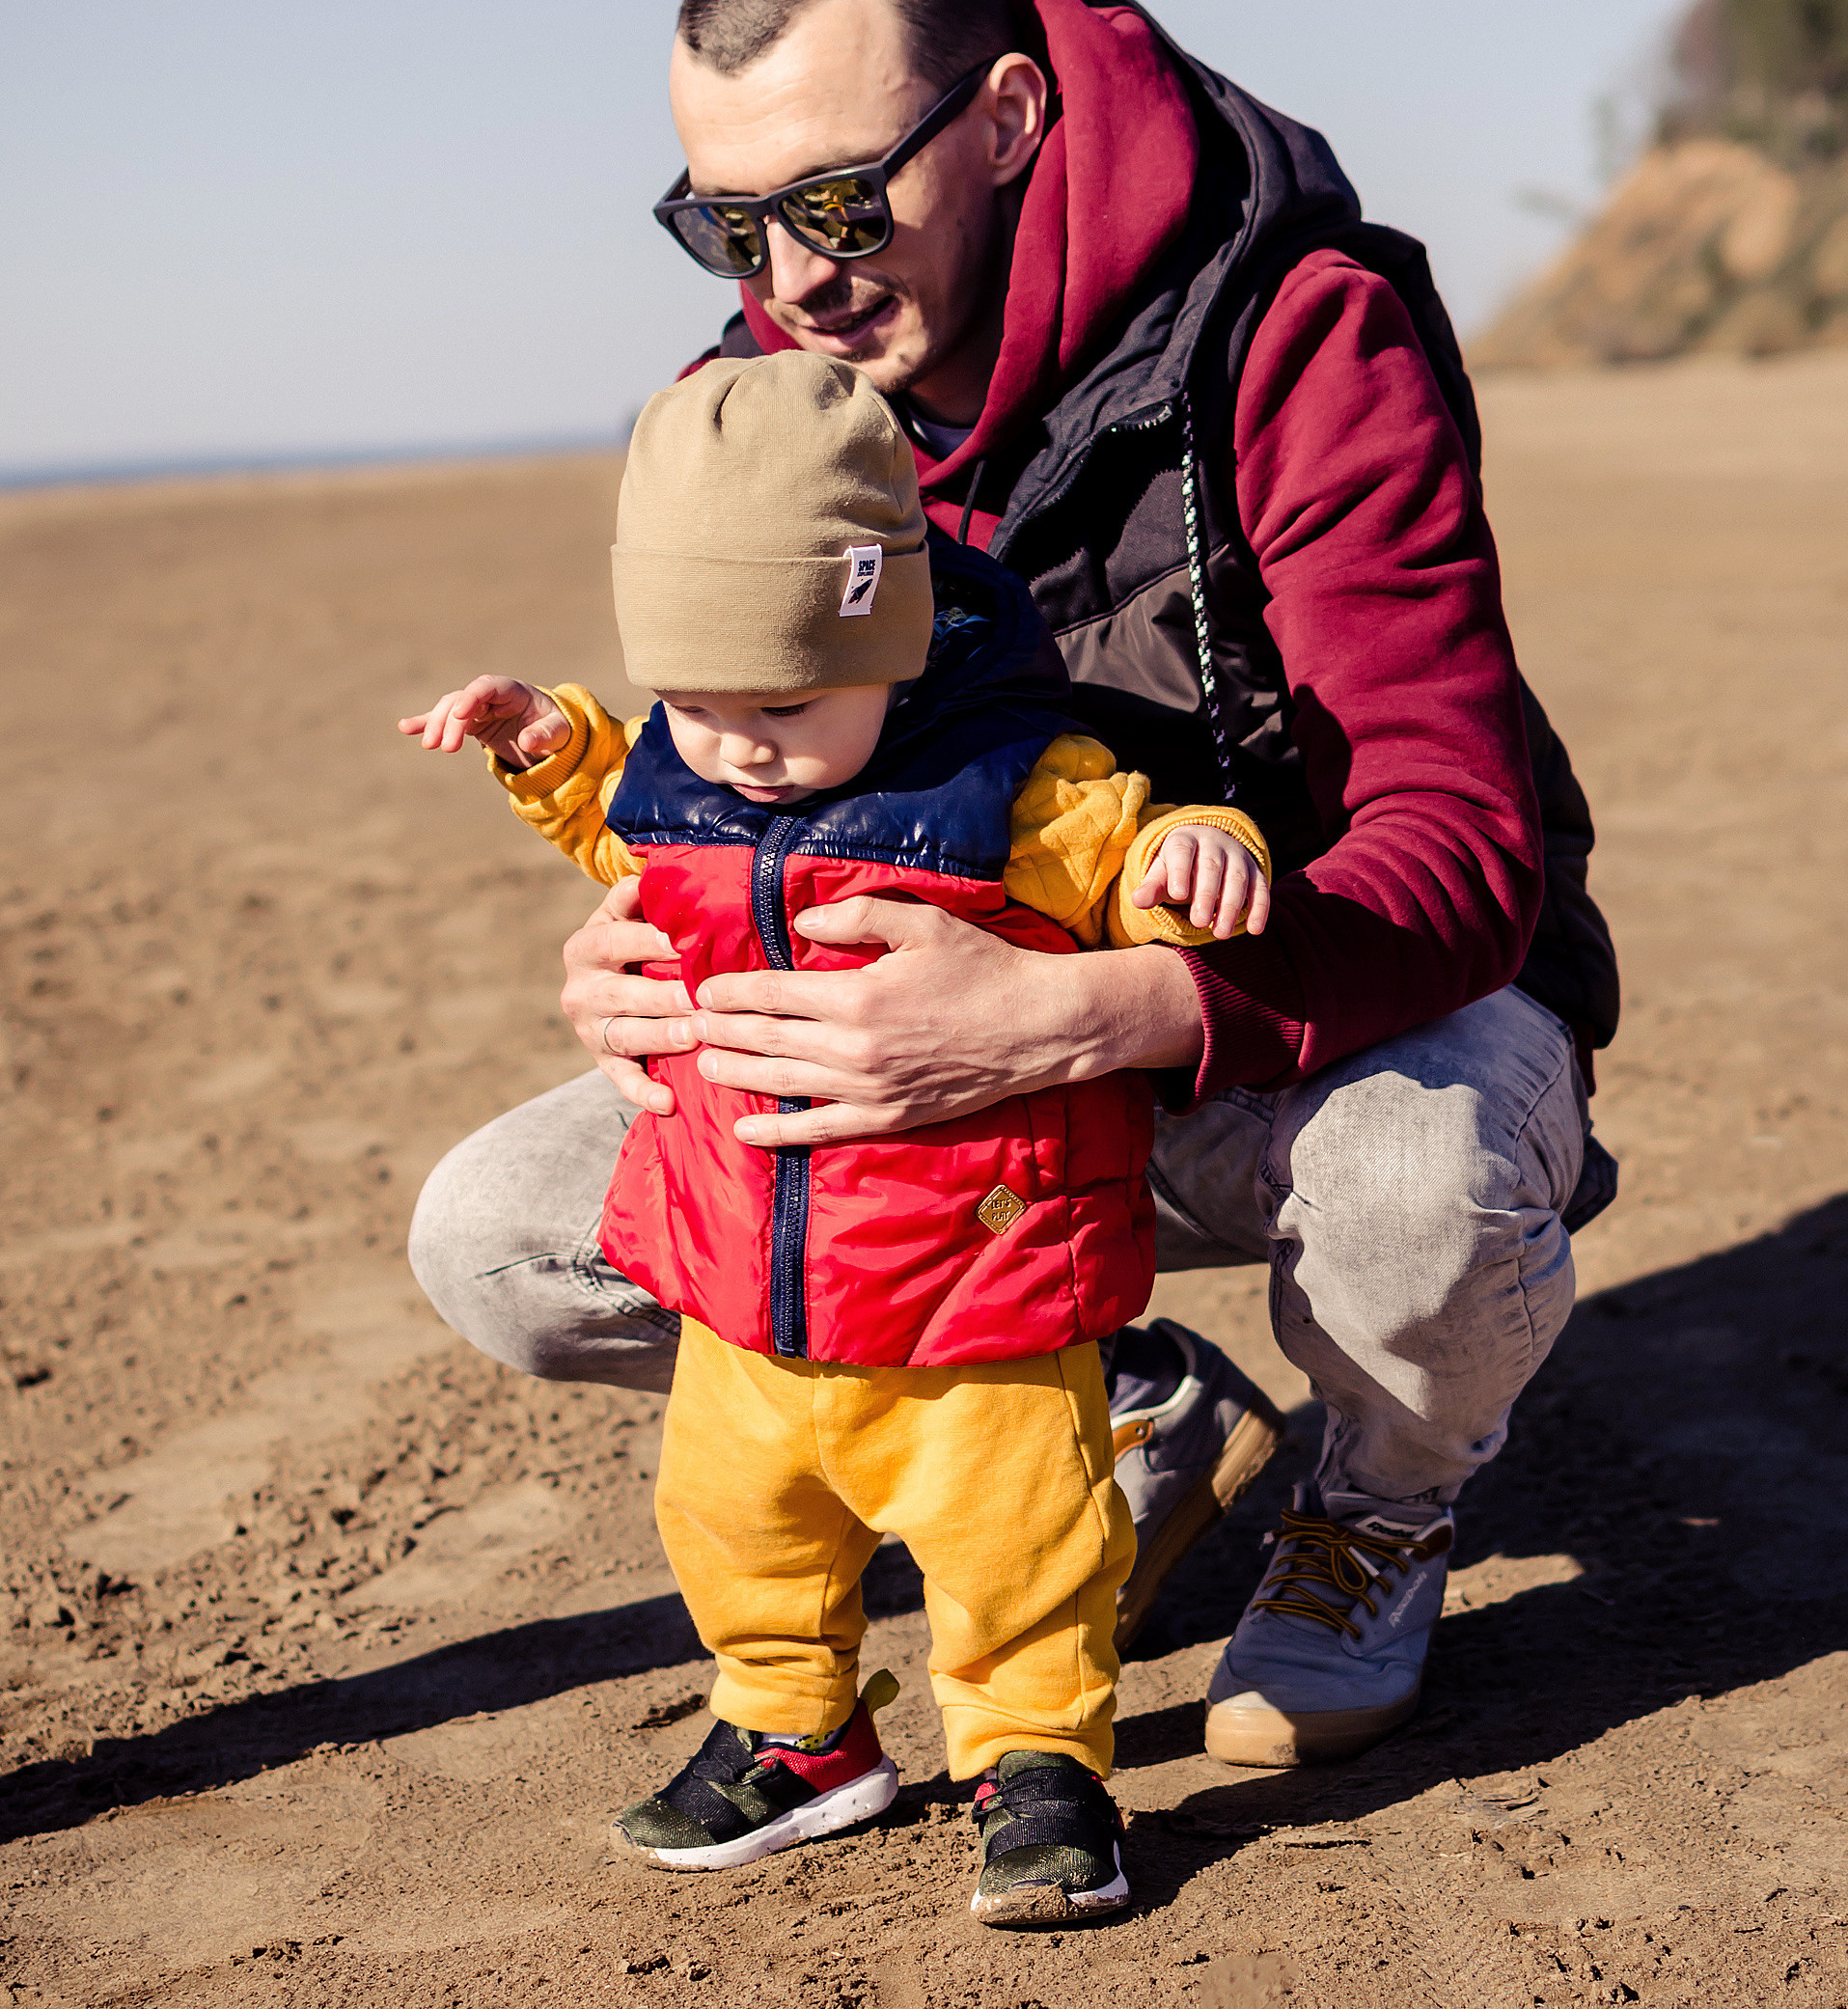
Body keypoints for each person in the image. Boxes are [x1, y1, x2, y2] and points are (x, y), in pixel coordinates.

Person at [407, 0, 1619, 1773]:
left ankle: (1376, 1508)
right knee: (498, 1236)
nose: (790, 278)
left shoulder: (1299, 335)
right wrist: (649, 949)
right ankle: (1111, 1401)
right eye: (729, 222)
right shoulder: (752, 409)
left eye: (837, 202)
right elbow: (719, 778)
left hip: (1312, 1021)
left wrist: (1079, 1012)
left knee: (1416, 1195)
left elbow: (1459, 853)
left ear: (1004, 120)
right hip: (964, 1140)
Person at [402, 350, 1271, 1922]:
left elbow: (1128, 856)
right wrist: (549, 746)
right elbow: (615, 819)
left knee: (1020, 1547)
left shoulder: (1010, 788)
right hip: (744, 1290)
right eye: (695, 703)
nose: (739, 745)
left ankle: (1038, 1765)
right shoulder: (682, 773)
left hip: (974, 1290)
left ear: (890, 646)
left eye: (788, 706)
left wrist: (1197, 854)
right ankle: (797, 1733)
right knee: (737, 1530)